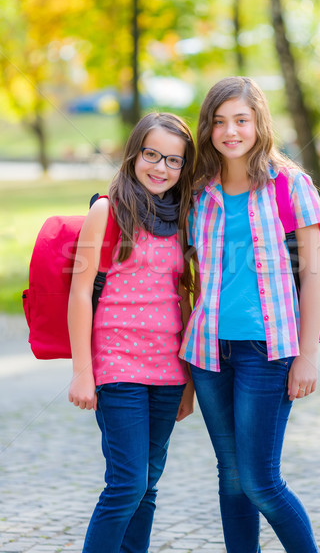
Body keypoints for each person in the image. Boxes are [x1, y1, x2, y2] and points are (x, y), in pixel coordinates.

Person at [179, 77, 320, 553]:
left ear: (258, 122)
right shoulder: (199, 191)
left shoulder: (291, 184)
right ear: (208, 128)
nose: (231, 131)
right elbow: (184, 271)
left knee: (261, 481)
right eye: (220, 121)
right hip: (207, 351)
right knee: (230, 477)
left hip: (268, 350)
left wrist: (308, 356)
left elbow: (314, 276)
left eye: (241, 120)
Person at [68, 112, 196, 553]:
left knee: (149, 485)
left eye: (174, 160)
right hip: (117, 366)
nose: (161, 168)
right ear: (134, 154)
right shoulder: (107, 210)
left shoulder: (183, 218)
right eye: (152, 155)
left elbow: (184, 298)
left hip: (166, 372)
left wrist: (188, 382)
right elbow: (80, 293)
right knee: (126, 483)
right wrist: (82, 372)